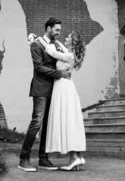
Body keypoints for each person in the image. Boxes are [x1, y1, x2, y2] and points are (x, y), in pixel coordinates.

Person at [18, 17, 71, 172]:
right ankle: (24, 159)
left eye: (60, 30)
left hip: (54, 89)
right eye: (57, 30)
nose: (59, 33)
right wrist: (60, 74)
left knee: (47, 126)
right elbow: (39, 67)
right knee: (36, 123)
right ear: (48, 28)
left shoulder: (56, 45)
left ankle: (43, 159)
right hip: (40, 88)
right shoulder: (36, 44)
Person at [40, 30, 87, 171]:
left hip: (63, 88)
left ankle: (73, 158)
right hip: (66, 86)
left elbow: (51, 51)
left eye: (68, 37)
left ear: (72, 41)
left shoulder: (68, 55)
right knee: (71, 120)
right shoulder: (70, 53)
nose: (65, 37)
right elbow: (59, 45)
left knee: (66, 119)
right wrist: (56, 40)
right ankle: (78, 157)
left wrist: (40, 39)